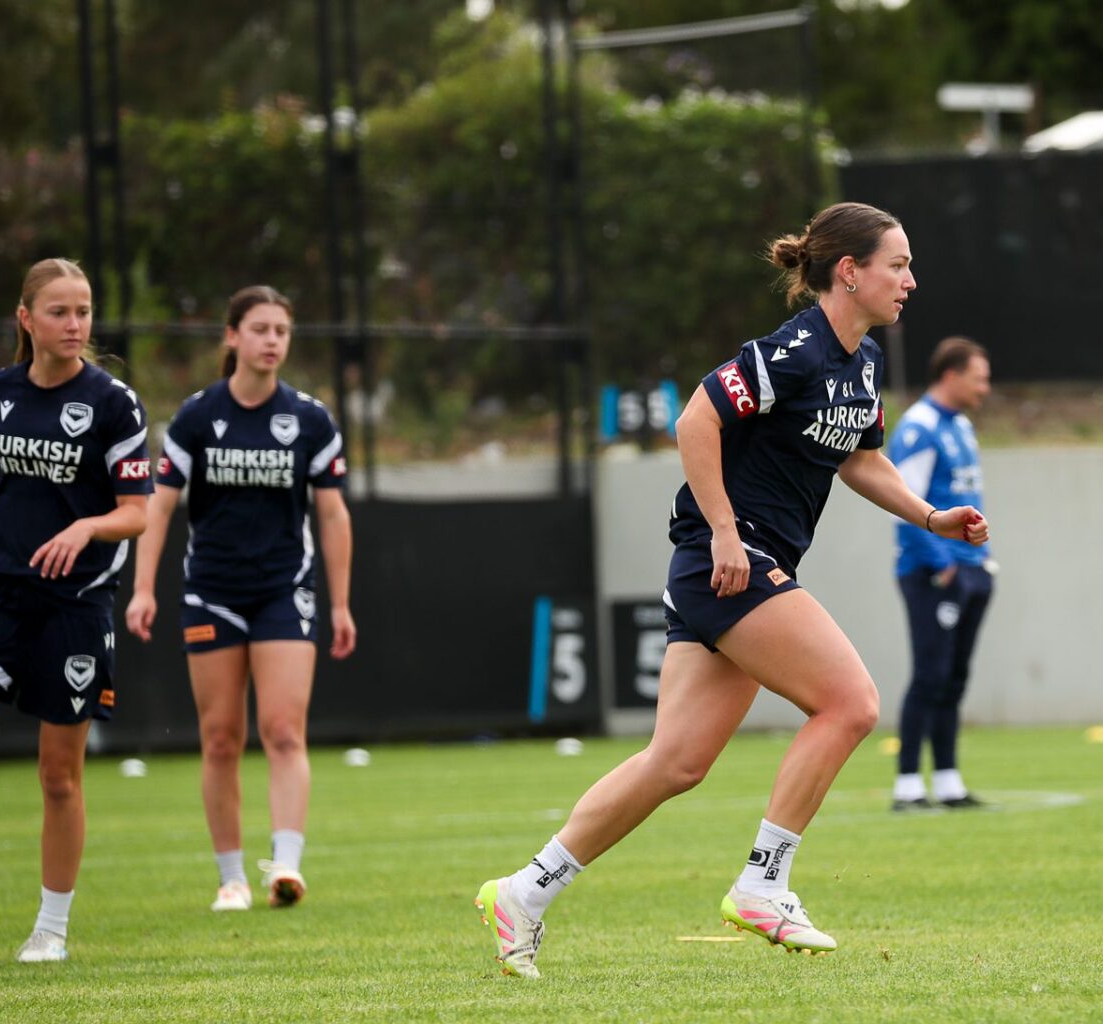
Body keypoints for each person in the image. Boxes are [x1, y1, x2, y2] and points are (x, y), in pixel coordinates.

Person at [473, 201, 989, 978]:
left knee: (675, 763)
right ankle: (764, 881)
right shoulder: (794, 351)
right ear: (849, 272)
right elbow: (695, 421)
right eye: (898, 264)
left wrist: (928, 516)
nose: (911, 280)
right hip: (730, 561)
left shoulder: (863, 362)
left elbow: (859, 457)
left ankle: (524, 891)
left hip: (739, 567)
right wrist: (721, 529)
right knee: (851, 703)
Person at [0, 258, 153, 962]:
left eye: (83, 310)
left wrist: (88, 527)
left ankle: (51, 927)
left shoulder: (114, 403)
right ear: (25, 319)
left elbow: (138, 514)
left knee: (58, 774)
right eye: (59, 311)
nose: (76, 323)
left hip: (74, 606)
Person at [124, 286, 355, 913]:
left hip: (284, 591)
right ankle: (230, 877)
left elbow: (332, 517)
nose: (272, 339)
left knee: (282, 730)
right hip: (212, 594)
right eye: (259, 328)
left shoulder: (310, 419)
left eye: (282, 329)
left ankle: (285, 864)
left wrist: (339, 605)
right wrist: (143, 587)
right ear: (232, 337)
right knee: (221, 737)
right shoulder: (197, 417)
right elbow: (160, 504)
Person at [888, 336, 995, 811]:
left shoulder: (963, 427)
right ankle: (908, 784)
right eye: (979, 378)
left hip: (972, 570)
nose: (985, 388)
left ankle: (948, 779)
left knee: (954, 676)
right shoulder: (919, 426)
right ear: (950, 376)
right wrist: (942, 562)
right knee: (929, 674)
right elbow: (902, 503)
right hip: (933, 572)